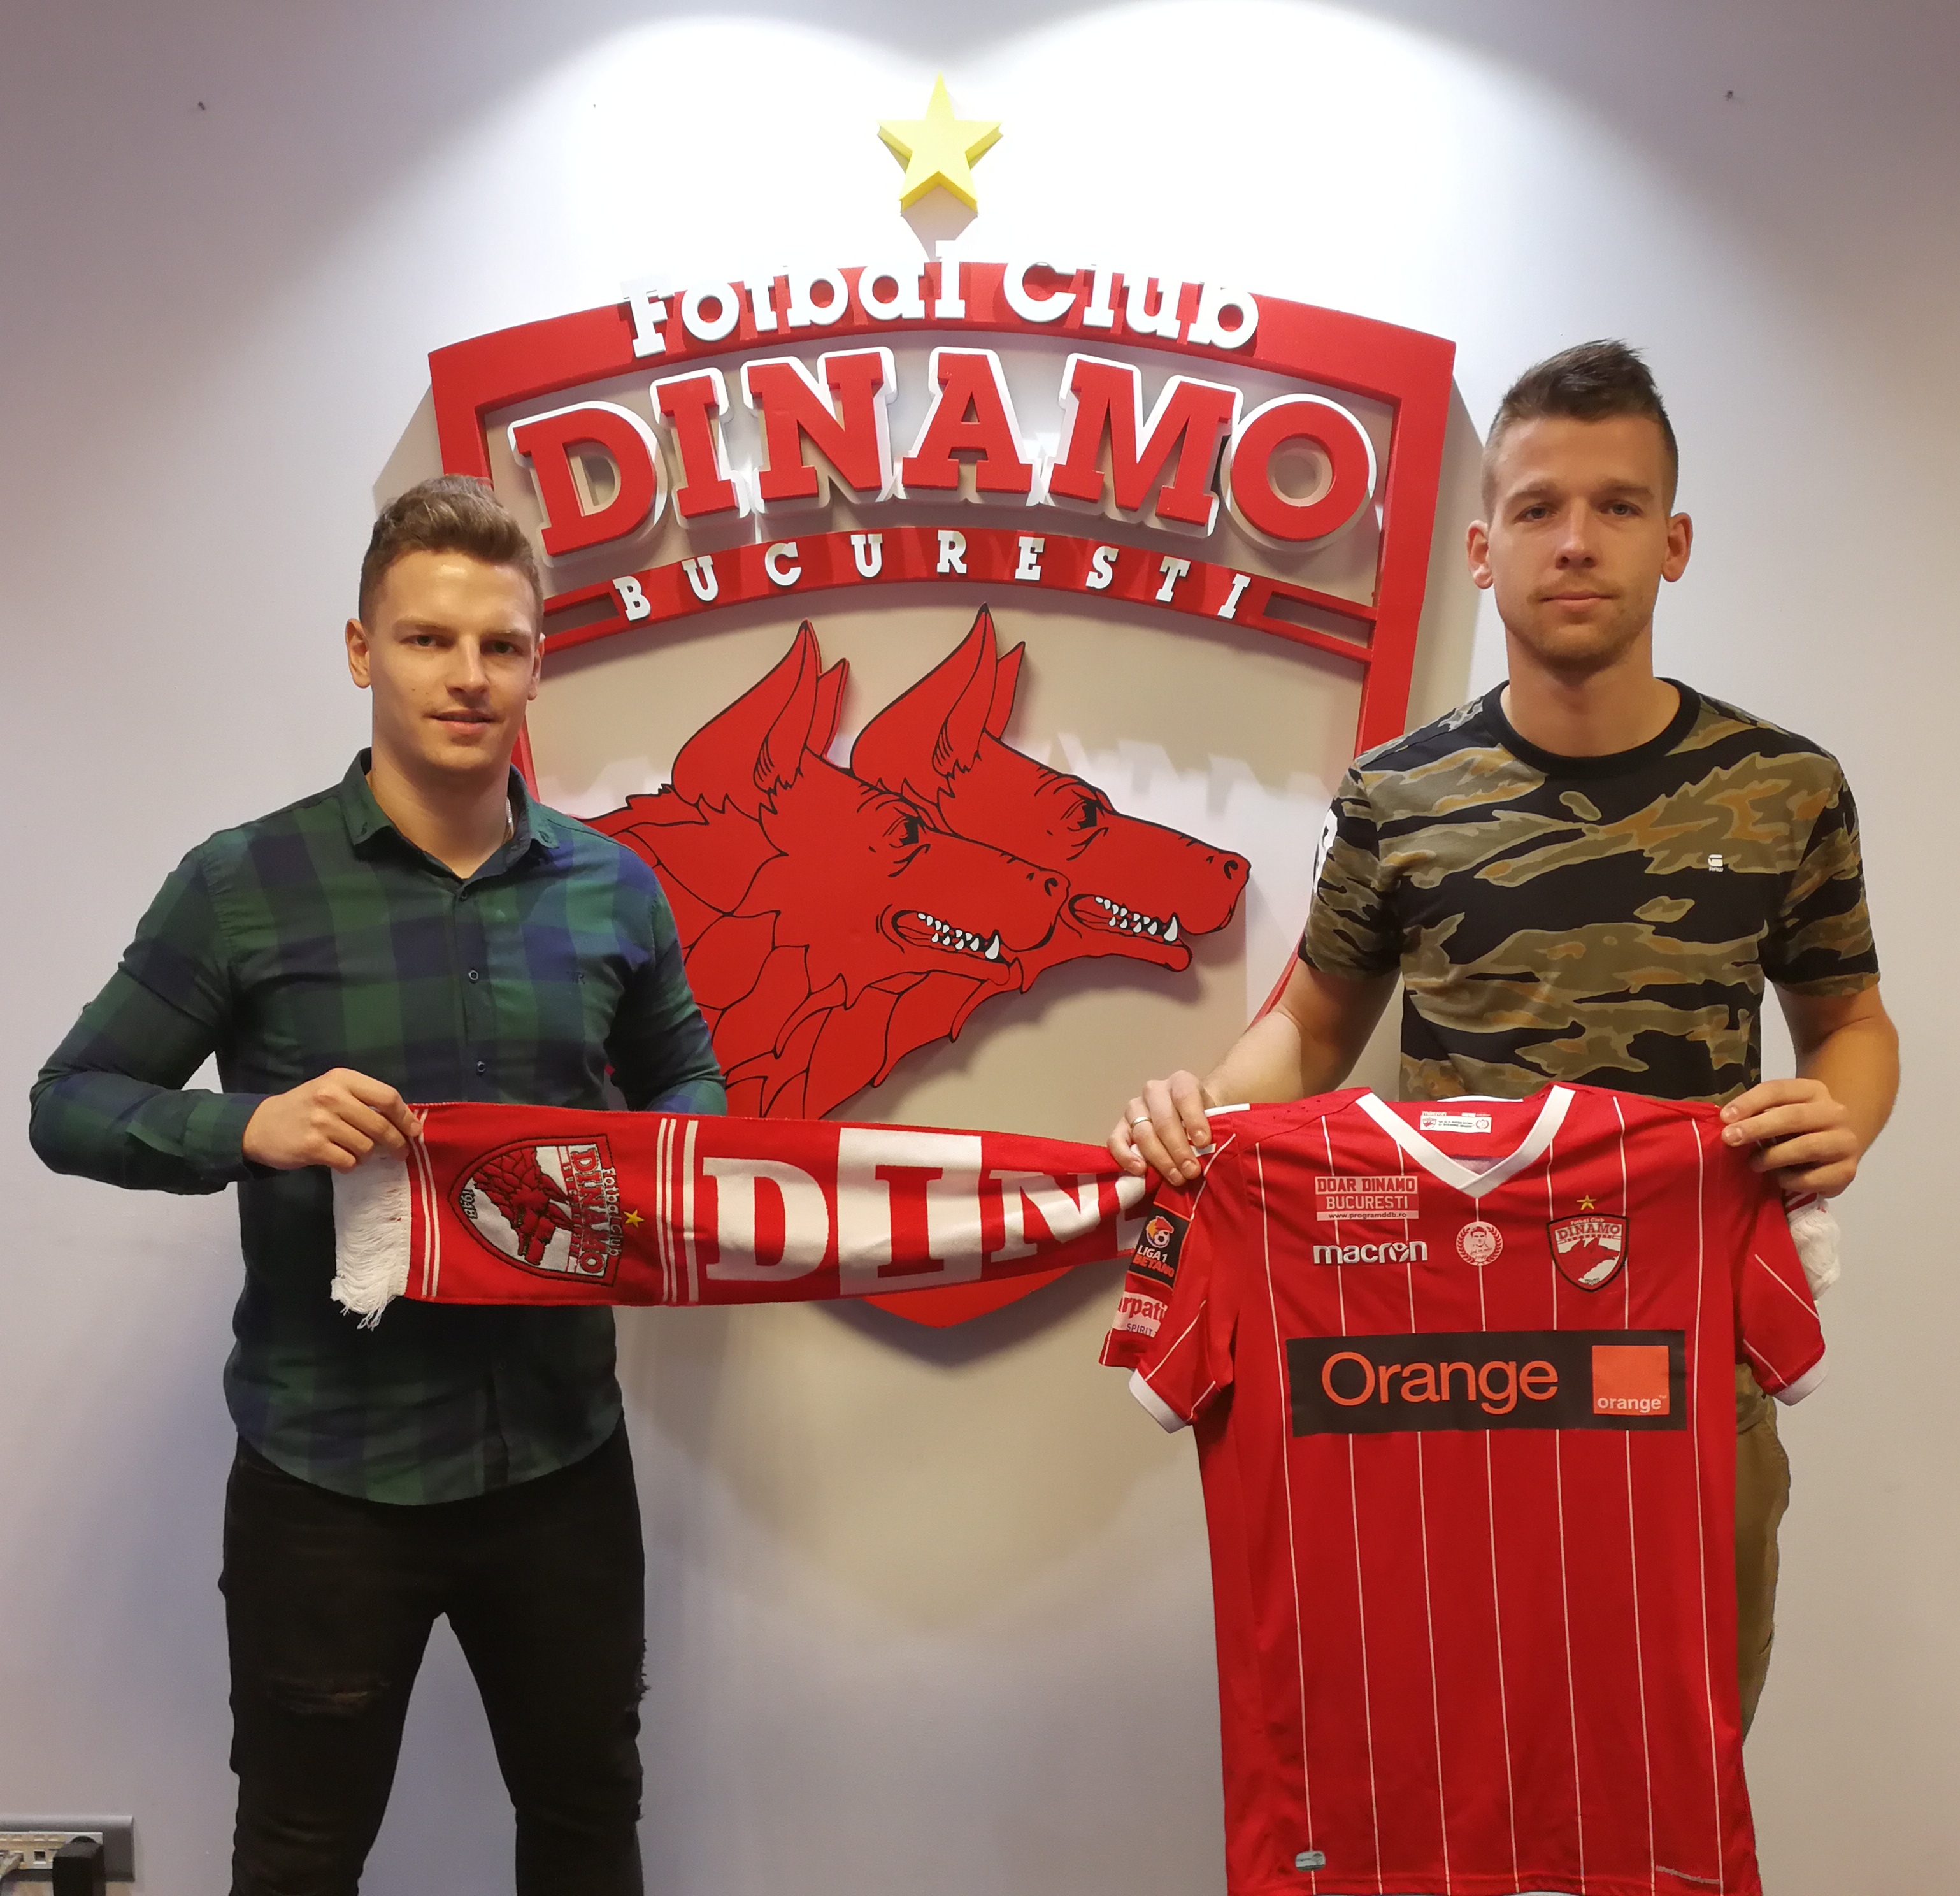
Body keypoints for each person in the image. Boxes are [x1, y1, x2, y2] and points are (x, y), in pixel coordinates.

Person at [1111, 341, 1896, 1735]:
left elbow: (1851, 1024)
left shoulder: (1784, 787)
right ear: (1482, 550)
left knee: (1675, 1765)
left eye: (1617, 505)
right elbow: (1310, 1027)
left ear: (1673, 541)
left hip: (1690, 1360)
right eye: (1538, 507)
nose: (1576, 541)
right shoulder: (1397, 793)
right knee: (1441, 1761)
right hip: (1444, 1365)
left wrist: (1843, 1112)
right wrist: (1204, 1117)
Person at [30, 477, 724, 1896]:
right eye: (427, 640)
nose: (468, 677)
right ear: (362, 651)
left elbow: (689, 1088)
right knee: (300, 1853)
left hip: (560, 1459)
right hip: (326, 1478)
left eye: (501, 646)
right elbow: (70, 1103)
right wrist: (251, 1128)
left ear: (537, 663)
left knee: (588, 1828)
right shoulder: (241, 884)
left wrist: (654, 1169)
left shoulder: (615, 888)